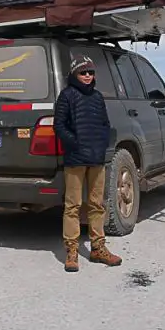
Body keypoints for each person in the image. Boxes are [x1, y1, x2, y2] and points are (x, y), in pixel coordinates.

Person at [53, 55, 122, 272]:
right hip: (75, 158)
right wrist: (76, 143)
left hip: (96, 158)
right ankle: (71, 251)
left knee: (96, 204)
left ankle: (98, 248)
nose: (87, 76)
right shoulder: (66, 96)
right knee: (72, 205)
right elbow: (59, 126)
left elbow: (105, 124)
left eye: (91, 72)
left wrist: (101, 146)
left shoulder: (97, 97)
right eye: (83, 72)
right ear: (75, 74)